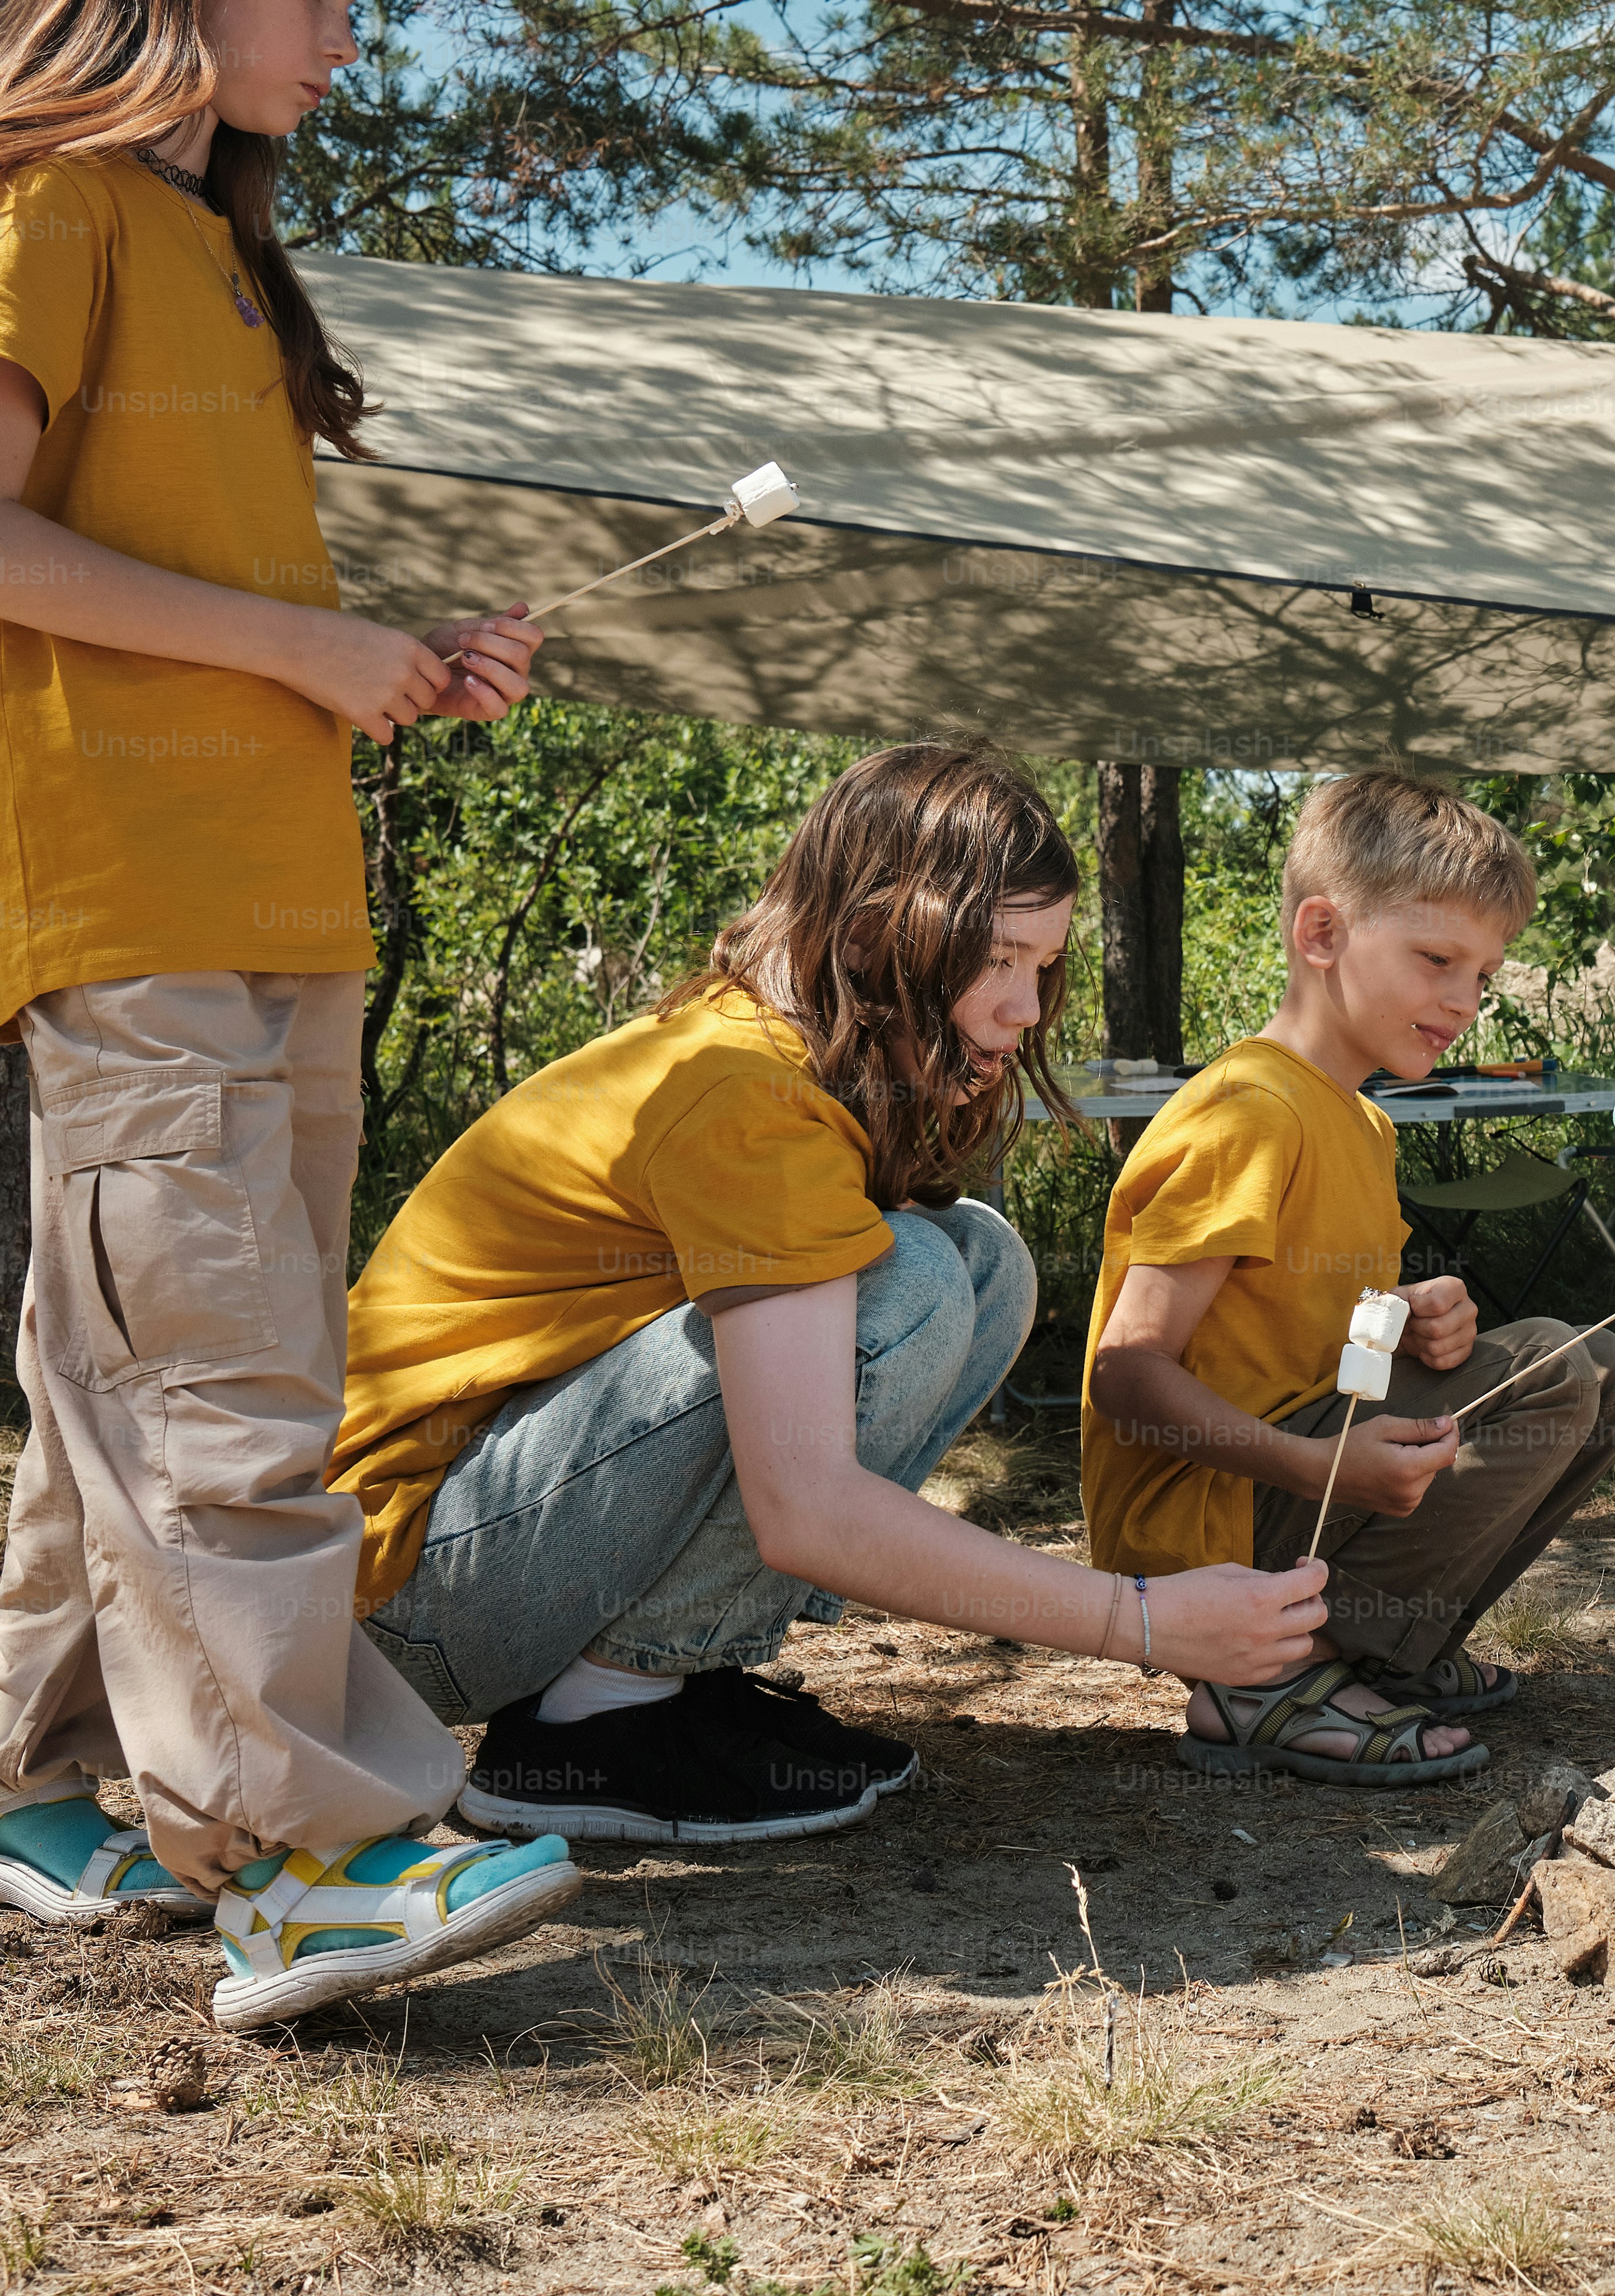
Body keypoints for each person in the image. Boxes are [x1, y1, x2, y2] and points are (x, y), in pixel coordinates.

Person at [0, 0, 575, 2029]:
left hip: (274, 897)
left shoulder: (214, 244)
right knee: (216, 1368)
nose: (349, 32)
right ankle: (316, 1862)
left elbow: (174, 585)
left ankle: (52, 1775)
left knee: (159, 1346)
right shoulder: (51, 201)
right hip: (131, 892)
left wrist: (387, 661)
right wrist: (301, 648)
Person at [336, 740, 1335, 1840]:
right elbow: (805, 1506)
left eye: (1042, 967)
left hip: (495, 1542)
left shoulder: (786, 1056)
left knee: (975, 1259)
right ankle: (592, 1730)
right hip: (405, 1607)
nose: (1025, 1010)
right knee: (907, 1283)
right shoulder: (747, 1097)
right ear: (870, 936)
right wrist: (1142, 1621)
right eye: (995, 961)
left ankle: (673, 1680)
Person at [1080, 771, 1615, 1787]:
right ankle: (1271, 1671)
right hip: (1208, 1519)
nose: (1465, 1001)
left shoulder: (1364, 1121)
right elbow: (1126, 1371)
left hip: (1294, 1480)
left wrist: (1410, 1320)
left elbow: (1316, 1345)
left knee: (1606, 1377)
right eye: (1437, 960)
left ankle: (1382, 1653)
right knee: (1563, 1367)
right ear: (1323, 933)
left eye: (1484, 974)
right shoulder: (1250, 1111)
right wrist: (1307, 1468)